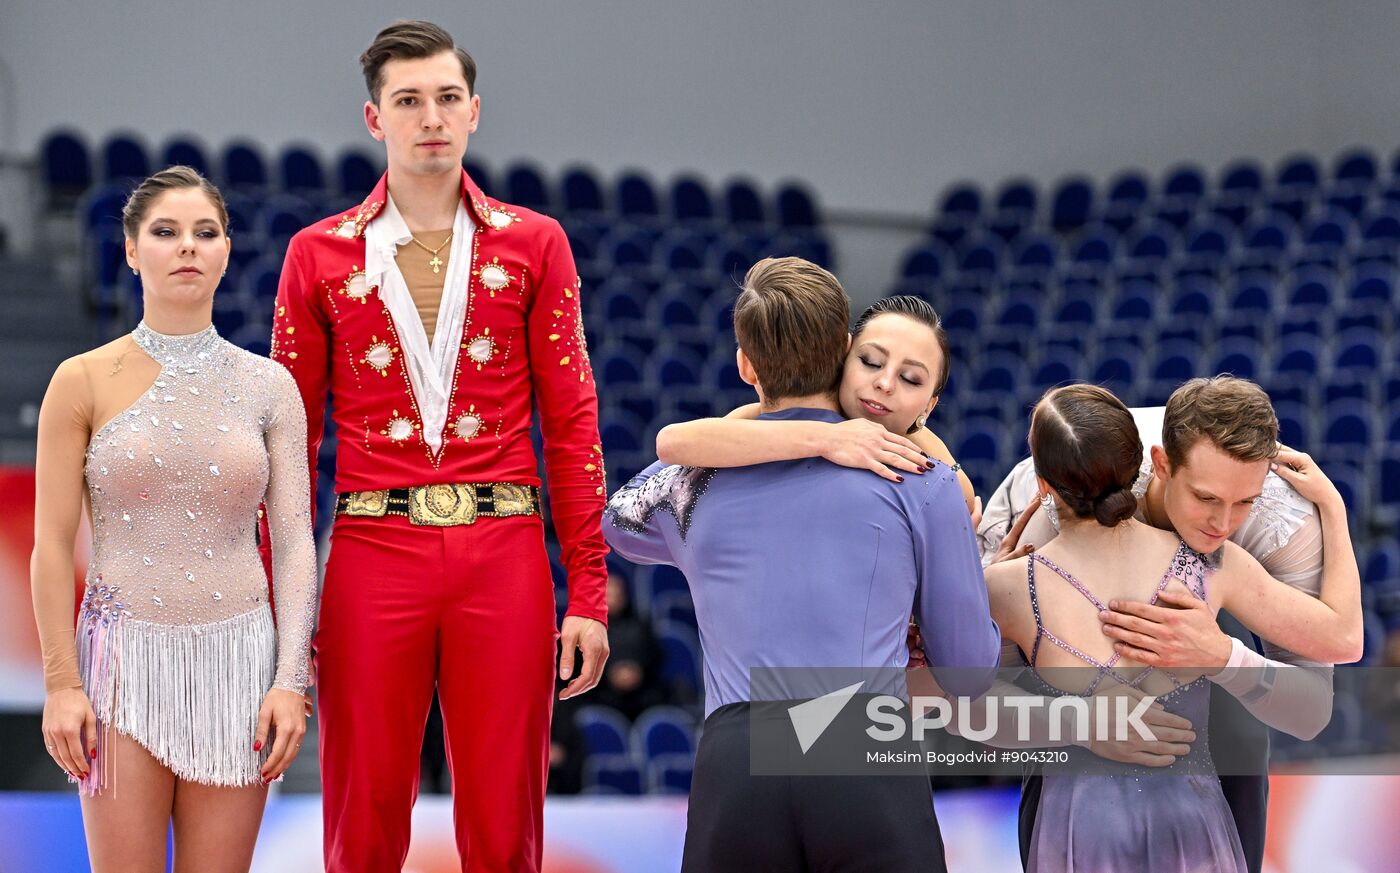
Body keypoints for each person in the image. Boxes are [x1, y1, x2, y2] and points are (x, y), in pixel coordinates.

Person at [261, 20, 609, 872]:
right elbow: (287, 451)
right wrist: (287, 610)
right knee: (363, 813)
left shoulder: (537, 243)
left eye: (447, 99)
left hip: (506, 548)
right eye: (409, 101)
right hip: (374, 548)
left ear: (476, 111)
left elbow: (571, 424)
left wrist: (590, 592)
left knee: (505, 819)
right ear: (374, 119)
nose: (431, 118)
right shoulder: (318, 255)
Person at [603, 257, 1001, 872]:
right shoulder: (922, 480)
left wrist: (764, 431)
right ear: (843, 351)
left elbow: (618, 520)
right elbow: (969, 674)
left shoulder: (695, 479)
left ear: (744, 365)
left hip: (737, 762)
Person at [30, 166, 316, 872]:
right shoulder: (81, 378)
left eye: (204, 232)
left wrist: (290, 678)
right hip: (121, 669)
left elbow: (294, 546)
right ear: (131, 251)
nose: (186, 246)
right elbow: (50, 544)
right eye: (165, 232)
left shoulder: (269, 385)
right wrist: (63, 684)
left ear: (226, 250)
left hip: (240, 670)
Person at [978, 376, 1353, 873]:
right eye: (1205, 498)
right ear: (1157, 465)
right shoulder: (1032, 507)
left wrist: (1223, 656)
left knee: (1240, 735)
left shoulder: (1277, 520)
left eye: (1244, 501)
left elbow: (1329, 671)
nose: (1223, 523)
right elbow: (971, 696)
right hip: (1089, 786)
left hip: (1147, 783)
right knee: (1042, 746)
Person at [656, 295, 977, 513]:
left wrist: (911, 431)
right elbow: (673, 442)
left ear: (929, 406)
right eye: (870, 361)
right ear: (843, 356)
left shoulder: (919, 451)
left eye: (910, 379)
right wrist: (828, 438)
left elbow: (966, 498)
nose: (885, 383)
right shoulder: (790, 412)